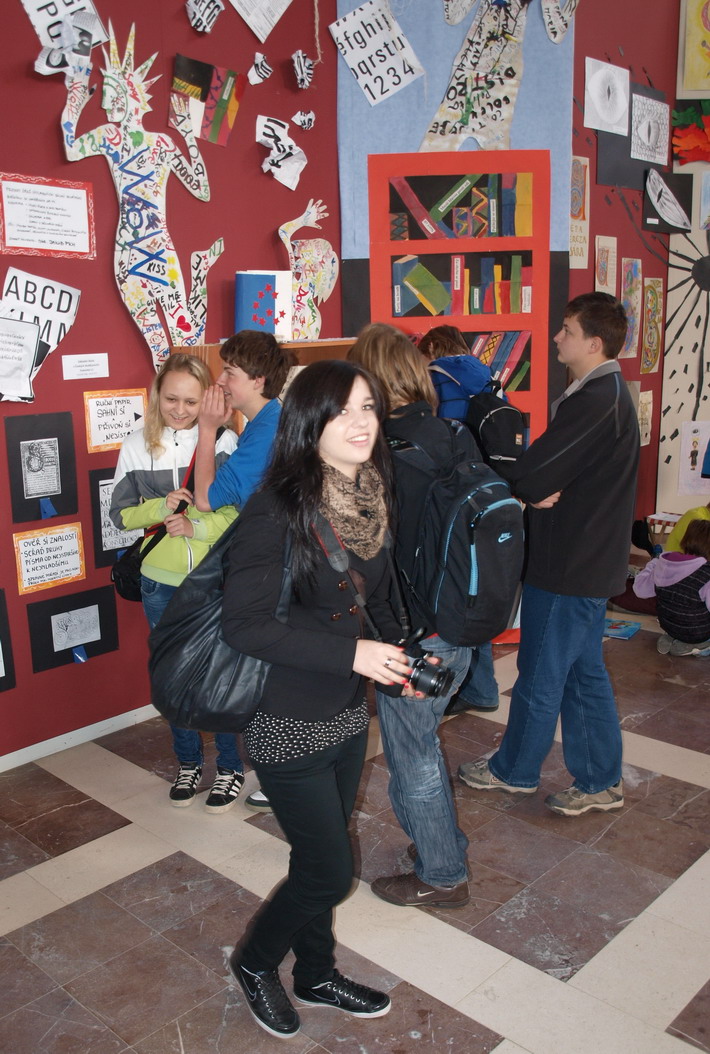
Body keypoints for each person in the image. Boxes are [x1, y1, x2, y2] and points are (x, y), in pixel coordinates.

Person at [222, 360, 419, 1038]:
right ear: (310, 423)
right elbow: (244, 625)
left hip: (344, 713)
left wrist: (397, 653)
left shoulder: (370, 495)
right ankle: (254, 962)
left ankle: (315, 972)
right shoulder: (275, 508)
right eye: (341, 410)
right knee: (331, 873)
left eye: (368, 406)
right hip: (285, 719)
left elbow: (373, 596)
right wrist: (353, 655)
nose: (360, 422)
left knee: (315, 858)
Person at [459, 292, 640, 816]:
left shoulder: (596, 400)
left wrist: (527, 483)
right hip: (583, 560)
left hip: (569, 563)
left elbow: (535, 472)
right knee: (583, 674)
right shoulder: (601, 393)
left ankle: (513, 771)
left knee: (540, 672)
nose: (557, 337)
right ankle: (600, 779)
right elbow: (541, 474)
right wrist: (534, 483)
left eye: (566, 330)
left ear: (594, 343)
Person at [348, 323, 473, 909]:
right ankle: (441, 842)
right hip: (459, 620)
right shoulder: (453, 435)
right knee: (421, 744)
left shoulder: (381, 457)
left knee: (413, 756)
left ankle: (443, 874)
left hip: (411, 633)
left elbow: (373, 556)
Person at [110, 354, 240, 811]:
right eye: (171, 399)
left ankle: (230, 768)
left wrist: (196, 527)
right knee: (172, 676)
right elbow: (121, 515)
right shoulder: (135, 444)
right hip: (159, 583)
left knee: (219, 674)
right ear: (156, 396)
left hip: (213, 579)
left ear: (208, 400)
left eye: (190, 400)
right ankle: (188, 762)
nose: (180, 410)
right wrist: (160, 507)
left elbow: (239, 514)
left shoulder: (225, 442)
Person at [193, 330, 293, 811]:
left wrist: (206, 429)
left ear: (257, 379)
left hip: (275, 565)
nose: (220, 381)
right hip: (281, 561)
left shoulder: (267, 429)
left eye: (229, 372)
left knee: (271, 671)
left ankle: (284, 775)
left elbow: (206, 497)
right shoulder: (269, 421)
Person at [419, 324, 501, 715]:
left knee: (452, 590)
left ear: (433, 346)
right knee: (473, 585)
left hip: (452, 493)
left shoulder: (439, 376)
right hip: (485, 489)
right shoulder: (483, 374)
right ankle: (483, 687)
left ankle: (470, 687)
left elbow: (441, 437)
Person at [633, 519, 710, 656]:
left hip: (668, 625)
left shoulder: (665, 562)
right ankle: (699, 644)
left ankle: (673, 638)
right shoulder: (706, 572)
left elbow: (640, 590)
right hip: (697, 632)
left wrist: (654, 563)